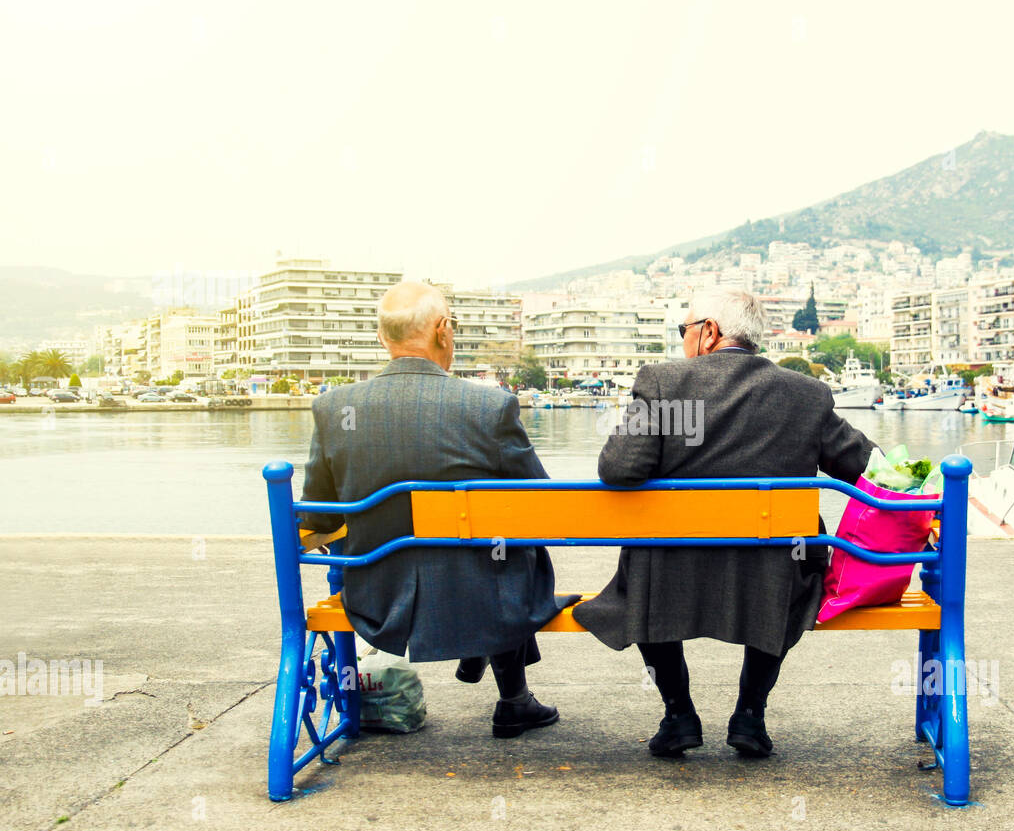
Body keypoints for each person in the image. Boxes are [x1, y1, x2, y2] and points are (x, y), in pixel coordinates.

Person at [573, 289, 878, 757]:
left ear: (710, 332)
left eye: (685, 330)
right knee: (795, 569)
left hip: (669, 572)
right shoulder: (805, 394)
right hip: (771, 574)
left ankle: (678, 714)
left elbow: (619, 469)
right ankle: (750, 714)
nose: (682, 341)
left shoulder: (661, 383)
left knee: (643, 566)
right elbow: (864, 467)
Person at [299, 281, 575, 738]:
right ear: (443, 331)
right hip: (483, 598)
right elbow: (538, 506)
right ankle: (510, 694)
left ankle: (502, 682)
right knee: (512, 550)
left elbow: (321, 520)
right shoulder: (489, 405)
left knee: (496, 547)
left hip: (377, 602)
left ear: (382, 336)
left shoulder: (333, 407)